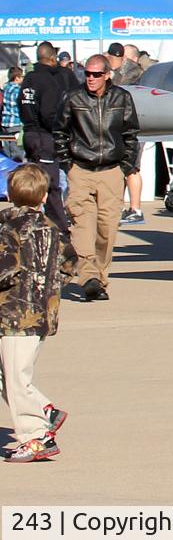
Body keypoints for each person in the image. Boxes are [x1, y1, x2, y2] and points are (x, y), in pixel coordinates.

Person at [0, 164, 72, 463]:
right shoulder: (52, 228)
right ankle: (44, 409)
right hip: (42, 313)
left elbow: (6, 268)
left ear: (9, 193)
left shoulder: (8, 227)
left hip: (15, 315)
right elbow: (70, 266)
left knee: (16, 376)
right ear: (44, 197)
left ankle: (35, 435)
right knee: (8, 374)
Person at [53, 54, 139, 302]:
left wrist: (125, 166)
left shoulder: (122, 98)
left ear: (107, 75)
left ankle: (98, 279)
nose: (90, 78)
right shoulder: (72, 98)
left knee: (107, 230)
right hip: (80, 170)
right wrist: (68, 164)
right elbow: (59, 132)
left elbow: (131, 133)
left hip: (111, 172)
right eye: (87, 74)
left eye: (96, 74)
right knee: (82, 226)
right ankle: (88, 277)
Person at [18, 42, 76, 235]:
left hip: (30, 134)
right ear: (52, 58)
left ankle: (38, 221)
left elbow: (24, 106)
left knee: (35, 181)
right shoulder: (47, 81)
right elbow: (48, 114)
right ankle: (61, 229)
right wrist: (61, 131)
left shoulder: (28, 79)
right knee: (49, 185)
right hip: (44, 136)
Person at [105, 44, 147, 226]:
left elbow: (119, 87)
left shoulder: (133, 73)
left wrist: (111, 75)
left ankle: (136, 209)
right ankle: (121, 207)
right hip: (122, 128)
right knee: (122, 169)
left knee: (132, 168)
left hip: (134, 128)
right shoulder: (125, 71)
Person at [1, 67, 22, 161]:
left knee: (7, 146)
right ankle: (16, 166)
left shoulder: (6, 88)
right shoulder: (18, 90)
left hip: (5, 122)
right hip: (15, 122)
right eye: (21, 77)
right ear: (17, 77)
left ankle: (7, 165)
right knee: (15, 147)